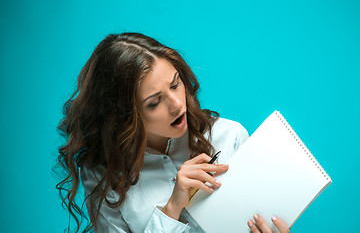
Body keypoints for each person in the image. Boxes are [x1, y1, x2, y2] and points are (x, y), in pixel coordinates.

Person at [56, 32, 290, 233]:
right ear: (124, 115)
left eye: (175, 84)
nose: (177, 104)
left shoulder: (230, 136)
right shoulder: (102, 174)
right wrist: (172, 208)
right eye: (154, 102)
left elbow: (266, 216)